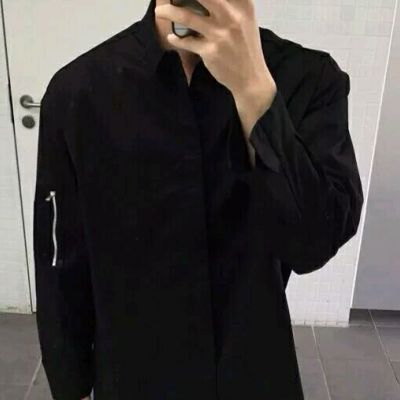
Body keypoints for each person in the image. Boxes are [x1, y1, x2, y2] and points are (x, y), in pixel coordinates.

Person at [33, 0, 364, 399]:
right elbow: (61, 259)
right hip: (133, 375)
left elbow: (314, 243)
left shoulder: (308, 79)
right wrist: (70, 384)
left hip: (253, 371)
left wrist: (256, 95)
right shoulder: (79, 92)